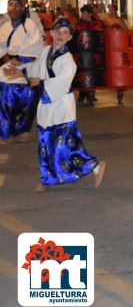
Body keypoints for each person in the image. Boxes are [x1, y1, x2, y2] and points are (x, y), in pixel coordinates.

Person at [3, 19, 107, 192]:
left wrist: (35, 81)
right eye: (58, 31)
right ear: (51, 33)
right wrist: (20, 70)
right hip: (47, 106)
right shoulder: (46, 51)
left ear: (70, 37)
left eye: (65, 32)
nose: (61, 35)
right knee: (46, 143)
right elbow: (35, 67)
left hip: (61, 107)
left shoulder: (68, 61)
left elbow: (60, 84)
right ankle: (48, 178)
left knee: (65, 145)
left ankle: (93, 167)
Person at [0, 0, 45, 144]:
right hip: (8, 66)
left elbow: (37, 46)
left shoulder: (30, 25)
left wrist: (21, 60)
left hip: (26, 66)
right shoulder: (5, 27)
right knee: (4, 99)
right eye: (10, 5)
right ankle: (4, 133)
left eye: (16, 5)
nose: (13, 8)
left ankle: (23, 130)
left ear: (23, 8)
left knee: (26, 101)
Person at [75, 4, 103, 104]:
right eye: (82, 13)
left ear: (89, 14)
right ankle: (82, 94)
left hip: (93, 54)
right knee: (81, 72)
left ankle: (91, 94)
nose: (82, 14)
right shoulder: (78, 25)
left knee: (92, 73)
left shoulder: (96, 25)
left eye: (84, 13)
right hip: (81, 53)